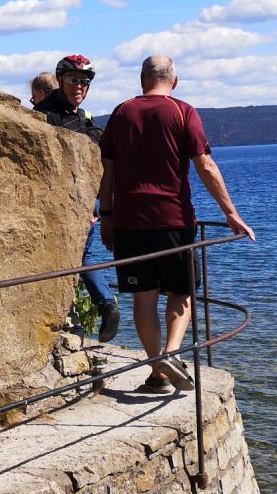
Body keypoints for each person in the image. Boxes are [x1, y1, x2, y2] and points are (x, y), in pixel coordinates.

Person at [98, 55, 253, 394]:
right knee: (181, 294)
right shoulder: (183, 112)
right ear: (175, 80)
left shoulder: (121, 113)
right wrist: (231, 212)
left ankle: (159, 374)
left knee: (143, 298)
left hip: (128, 221)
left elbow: (107, 171)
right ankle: (171, 354)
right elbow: (205, 166)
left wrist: (106, 216)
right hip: (173, 219)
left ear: (142, 80)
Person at [37, 54, 120, 342]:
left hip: (84, 207)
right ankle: (103, 305)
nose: (80, 87)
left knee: (82, 256)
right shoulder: (43, 116)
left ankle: (102, 308)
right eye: (74, 80)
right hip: (53, 208)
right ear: (60, 81)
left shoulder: (85, 118)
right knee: (80, 257)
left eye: (85, 82)